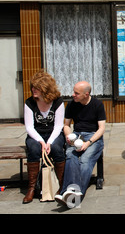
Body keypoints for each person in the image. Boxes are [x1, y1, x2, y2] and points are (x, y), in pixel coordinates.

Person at [55, 81, 106, 208]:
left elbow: (101, 128)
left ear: (86, 94)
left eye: (76, 93)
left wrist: (88, 143)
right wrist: (68, 136)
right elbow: (66, 125)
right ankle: (70, 192)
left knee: (85, 159)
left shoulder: (97, 104)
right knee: (70, 156)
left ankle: (73, 194)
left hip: (93, 137)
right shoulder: (72, 104)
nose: (73, 95)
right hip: (77, 135)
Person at [23, 70, 65, 204]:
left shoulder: (58, 102)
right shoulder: (29, 103)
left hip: (54, 133)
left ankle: (61, 186)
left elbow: (59, 126)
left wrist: (50, 142)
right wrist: (41, 141)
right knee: (34, 150)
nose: (33, 90)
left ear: (45, 89)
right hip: (37, 135)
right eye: (33, 87)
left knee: (57, 149)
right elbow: (29, 127)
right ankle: (31, 189)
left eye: (37, 88)